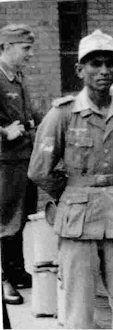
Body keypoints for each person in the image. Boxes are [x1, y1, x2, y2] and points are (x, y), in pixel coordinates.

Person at [28, 29, 113, 329]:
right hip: (78, 222)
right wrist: (72, 192)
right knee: (79, 310)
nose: (103, 71)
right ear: (80, 69)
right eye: (94, 64)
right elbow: (39, 169)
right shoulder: (62, 115)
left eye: (109, 63)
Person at [0, 23, 37, 305]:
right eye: (25, 49)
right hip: (5, 162)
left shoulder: (18, 76)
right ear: (6, 47)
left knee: (21, 218)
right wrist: (3, 132)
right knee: (4, 222)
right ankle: (3, 280)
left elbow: (29, 114)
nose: (30, 54)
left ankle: (16, 271)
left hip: (24, 158)